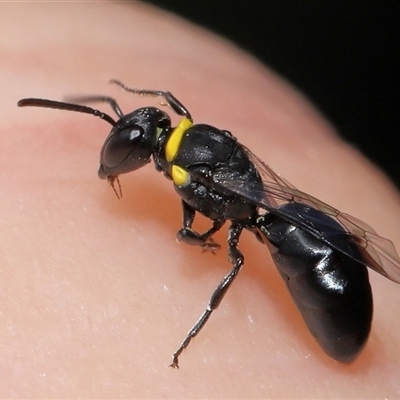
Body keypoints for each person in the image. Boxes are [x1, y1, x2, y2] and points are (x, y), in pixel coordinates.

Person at [2, 2, 400, 397]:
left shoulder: (189, 167)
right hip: (295, 219)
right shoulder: (189, 141)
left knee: (235, 259)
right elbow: (171, 100)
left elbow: (190, 226)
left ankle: (199, 328)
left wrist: (196, 239)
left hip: (316, 261)